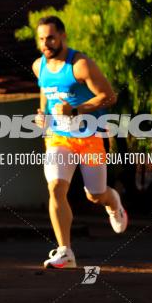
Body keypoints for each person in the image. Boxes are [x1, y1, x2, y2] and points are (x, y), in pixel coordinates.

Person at [32, 15, 128, 269]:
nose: (46, 43)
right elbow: (45, 90)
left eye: (51, 37)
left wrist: (76, 110)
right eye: (41, 39)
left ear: (63, 36)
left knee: (95, 195)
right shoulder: (38, 66)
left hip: (90, 136)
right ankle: (65, 251)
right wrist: (42, 114)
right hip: (58, 137)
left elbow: (108, 97)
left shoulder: (81, 64)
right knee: (55, 189)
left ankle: (113, 202)